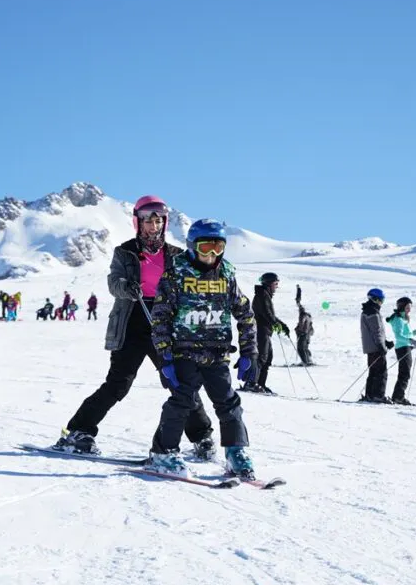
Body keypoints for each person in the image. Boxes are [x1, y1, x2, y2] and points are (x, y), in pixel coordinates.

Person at [53, 195, 215, 458]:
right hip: (132, 321)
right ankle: (78, 431)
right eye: (148, 221)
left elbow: (190, 285)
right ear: (137, 223)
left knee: (180, 381)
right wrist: (126, 287)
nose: (154, 226)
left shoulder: (176, 255)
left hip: (164, 323)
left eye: (158, 221)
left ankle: (202, 438)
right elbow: (113, 281)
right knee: (119, 383)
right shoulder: (125, 251)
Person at [147, 218, 258, 479]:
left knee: (229, 403)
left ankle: (235, 450)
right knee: (182, 402)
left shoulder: (227, 275)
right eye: (206, 247)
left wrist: (249, 351)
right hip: (184, 352)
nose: (212, 254)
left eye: (218, 247)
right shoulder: (176, 274)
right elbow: (160, 317)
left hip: (217, 353)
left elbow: (245, 314)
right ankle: (163, 453)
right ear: (192, 246)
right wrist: (165, 356)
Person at [245, 272, 289, 394]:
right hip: (260, 330)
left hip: (265, 330)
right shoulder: (262, 295)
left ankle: (261, 384)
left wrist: (281, 324)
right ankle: (251, 383)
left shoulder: (265, 295)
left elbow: (270, 314)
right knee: (261, 357)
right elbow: (267, 314)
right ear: (269, 284)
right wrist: (276, 323)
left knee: (267, 358)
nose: (276, 287)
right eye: (275, 284)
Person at [387, 297, 416, 405]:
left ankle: (398, 396)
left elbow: (407, 334)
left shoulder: (403, 318)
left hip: (405, 346)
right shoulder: (398, 319)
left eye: (410, 307)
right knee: (404, 373)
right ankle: (398, 397)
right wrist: (412, 341)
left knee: (405, 373)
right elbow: (399, 336)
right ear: (402, 306)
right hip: (402, 347)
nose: (409, 309)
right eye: (407, 307)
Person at [360, 288, 393, 402]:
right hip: (375, 347)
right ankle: (378, 395)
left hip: (371, 347)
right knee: (381, 372)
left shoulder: (368, 310)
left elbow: (375, 331)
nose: (381, 303)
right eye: (381, 300)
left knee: (373, 371)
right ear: (374, 299)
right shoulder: (373, 312)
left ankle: (370, 395)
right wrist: (381, 345)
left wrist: (386, 342)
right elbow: (376, 331)